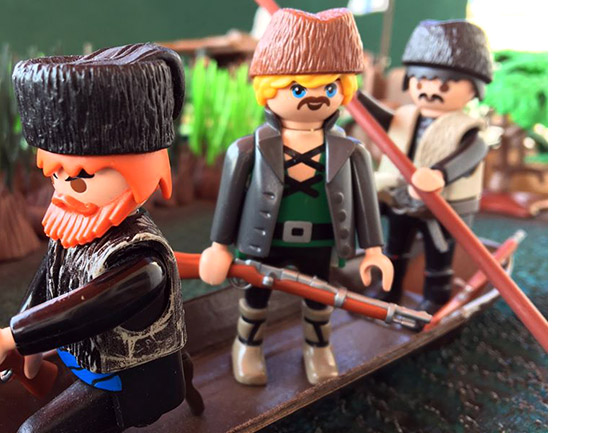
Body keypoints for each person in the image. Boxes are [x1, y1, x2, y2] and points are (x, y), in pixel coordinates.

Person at [0, 43, 192, 433]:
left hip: (128, 384)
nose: (63, 189)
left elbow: (88, 309)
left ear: (138, 170)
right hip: (90, 369)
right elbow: (47, 284)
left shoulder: (142, 260)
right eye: (56, 174)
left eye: (81, 177)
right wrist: (27, 342)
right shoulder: (75, 232)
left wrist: (11, 337)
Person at [199, 8, 393, 386]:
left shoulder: (350, 151)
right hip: (265, 238)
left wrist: (374, 250)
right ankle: (247, 345)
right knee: (256, 297)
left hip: (320, 241)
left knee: (320, 297)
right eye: (299, 89)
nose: (316, 98)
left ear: (344, 90)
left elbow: (367, 203)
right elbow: (229, 201)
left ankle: (318, 347)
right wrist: (219, 246)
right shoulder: (250, 148)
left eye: (330, 88)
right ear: (268, 89)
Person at [357, 20, 493, 313]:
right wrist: (354, 97)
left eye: (443, 84)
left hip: (443, 206)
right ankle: (387, 291)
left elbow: (471, 154)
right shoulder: (406, 114)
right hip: (401, 197)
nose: (430, 91)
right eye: (420, 82)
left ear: (474, 88)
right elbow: (381, 118)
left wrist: (440, 173)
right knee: (394, 248)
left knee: (439, 255)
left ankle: (435, 299)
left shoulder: (468, 128)